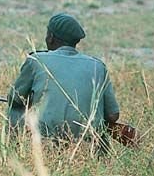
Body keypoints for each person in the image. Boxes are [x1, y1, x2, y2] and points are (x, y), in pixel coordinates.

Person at [7, 13, 120, 146]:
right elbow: (113, 115)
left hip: (46, 142)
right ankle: (99, 158)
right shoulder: (98, 66)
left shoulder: (36, 60)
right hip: (88, 143)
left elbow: (14, 98)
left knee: (14, 109)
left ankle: (13, 149)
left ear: (51, 37)